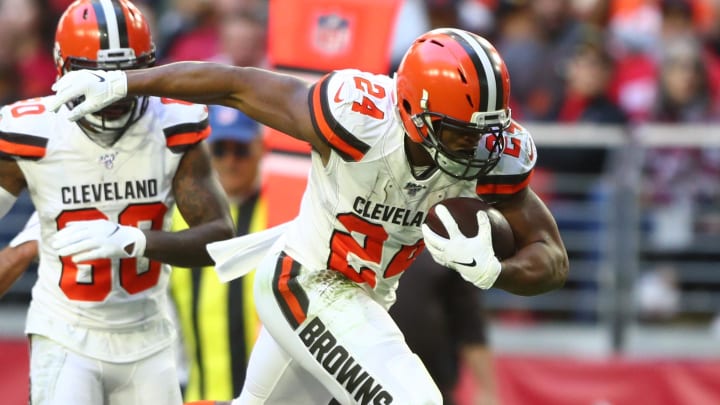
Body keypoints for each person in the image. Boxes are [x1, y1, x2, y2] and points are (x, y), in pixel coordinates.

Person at [50, 27, 569, 405]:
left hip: (362, 300)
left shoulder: (490, 154)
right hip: (303, 281)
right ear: (414, 112)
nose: (477, 146)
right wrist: (126, 84)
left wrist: (496, 271)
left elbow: (552, 258)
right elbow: (235, 84)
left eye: (487, 131)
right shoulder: (361, 119)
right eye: (460, 131)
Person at [0, 0, 234, 404]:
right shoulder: (32, 130)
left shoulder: (173, 123)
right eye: (94, 75)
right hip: (66, 333)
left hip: (149, 334)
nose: (108, 90)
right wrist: (24, 248)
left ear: (148, 66)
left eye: (125, 73)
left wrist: (137, 242)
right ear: (62, 66)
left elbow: (218, 239)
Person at [170, 105, 265, 402]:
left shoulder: (279, 213)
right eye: (220, 149)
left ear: (260, 149)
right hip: (199, 395)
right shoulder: (179, 217)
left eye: (241, 150)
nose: (230, 161)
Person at [388, 250, 500, 405]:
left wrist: (486, 390)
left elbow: (470, 325)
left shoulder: (446, 245)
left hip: (433, 385)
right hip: (366, 382)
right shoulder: (360, 242)